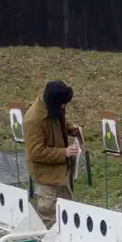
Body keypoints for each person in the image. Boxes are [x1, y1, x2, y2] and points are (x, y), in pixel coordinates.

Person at [25, 80, 83, 226]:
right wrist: (64, 152)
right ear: (54, 102)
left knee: (68, 217)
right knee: (50, 220)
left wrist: (71, 128)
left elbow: (59, 123)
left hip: (61, 175)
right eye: (63, 104)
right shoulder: (33, 120)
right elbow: (36, 152)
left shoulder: (53, 108)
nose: (64, 107)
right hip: (47, 179)